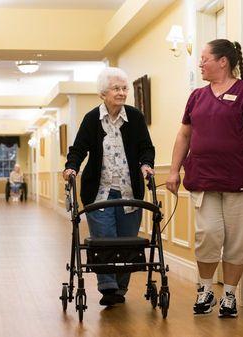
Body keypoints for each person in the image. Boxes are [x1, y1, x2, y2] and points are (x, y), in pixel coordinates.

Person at [166, 39, 243, 317]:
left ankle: (230, 296)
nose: (200, 64)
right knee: (207, 236)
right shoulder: (197, 96)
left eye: (204, 58)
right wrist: (174, 170)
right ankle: (206, 290)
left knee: (237, 241)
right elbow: (184, 134)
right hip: (203, 178)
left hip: (239, 180)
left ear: (223, 61)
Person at [63, 67, 155, 306]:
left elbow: (147, 147)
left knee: (126, 242)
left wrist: (146, 164)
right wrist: (71, 167)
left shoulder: (134, 117)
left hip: (129, 192)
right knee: (104, 240)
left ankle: (120, 288)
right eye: (116, 88)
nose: (122, 93)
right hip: (100, 192)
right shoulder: (92, 119)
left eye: (124, 88)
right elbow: (78, 148)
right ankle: (108, 288)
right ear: (103, 93)